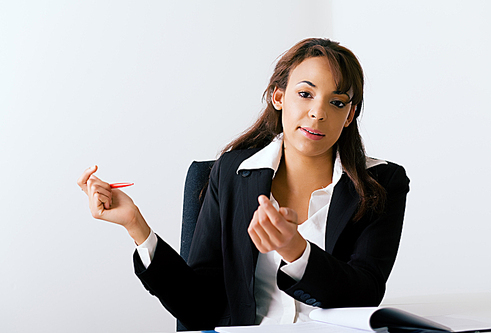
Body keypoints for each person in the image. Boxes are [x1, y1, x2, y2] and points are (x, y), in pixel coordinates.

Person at [77, 38, 410, 331]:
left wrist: (296, 251)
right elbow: (200, 308)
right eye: (305, 94)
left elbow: (365, 293)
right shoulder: (231, 173)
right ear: (279, 97)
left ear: (349, 115)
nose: (317, 113)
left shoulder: (381, 182)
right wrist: (137, 227)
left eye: (336, 102)